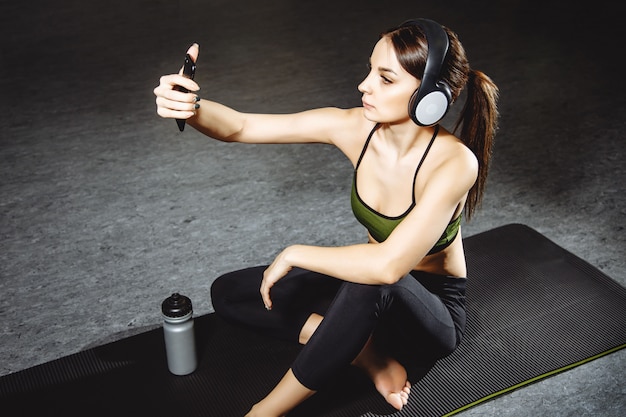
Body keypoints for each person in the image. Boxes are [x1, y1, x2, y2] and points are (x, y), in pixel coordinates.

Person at [154, 18, 498, 417]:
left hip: (428, 315)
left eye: (385, 79)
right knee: (231, 292)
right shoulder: (356, 128)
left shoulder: (455, 163)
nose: (364, 85)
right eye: (370, 70)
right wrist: (192, 108)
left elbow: (387, 268)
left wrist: (295, 253)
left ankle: (263, 412)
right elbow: (242, 126)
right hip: (369, 289)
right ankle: (371, 358)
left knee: (370, 279)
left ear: (431, 98)